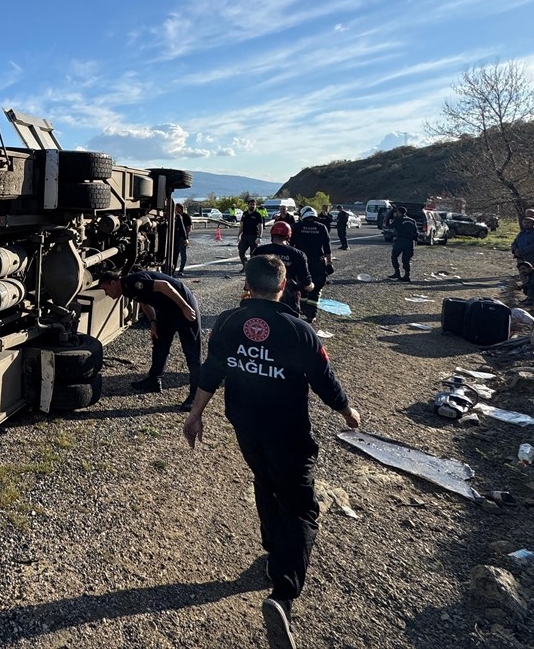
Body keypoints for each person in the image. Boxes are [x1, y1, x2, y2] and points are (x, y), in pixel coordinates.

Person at [183, 255, 360, 649]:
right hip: (288, 432)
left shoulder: (228, 322)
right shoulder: (299, 330)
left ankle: (271, 554)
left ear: (247, 284)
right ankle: (283, 593)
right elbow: (323, 379)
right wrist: (348, 410)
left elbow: (212, 370)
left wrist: (194, 415)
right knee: (301, 507)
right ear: (283, 286)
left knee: (265, 481)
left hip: (246, 426)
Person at [98, 270, 201, 405]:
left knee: (191, 351)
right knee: (159, 342)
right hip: (166, 309)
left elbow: (165, 286)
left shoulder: (133, 282)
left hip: (183, 308)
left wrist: (185, 307)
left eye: (106, 289)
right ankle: (154, 380)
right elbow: (143, 302)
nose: (106, 294)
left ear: (113, 283)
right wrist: (153, 322)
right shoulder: (126, 288)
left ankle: (196, 395)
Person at [253, 221, 313, 317]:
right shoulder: (298, 254)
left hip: (261, 295)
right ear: (288, 235)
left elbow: (252, 273)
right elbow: (306, 281)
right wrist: (310, 286)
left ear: (272, 234)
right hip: (289, 297)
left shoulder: (260, 251)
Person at [290, 207, 332, 324]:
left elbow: (291, 245)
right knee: (316, 287)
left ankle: (302, 308)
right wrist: (329, 263)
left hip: (300, 261)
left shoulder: (297, 227)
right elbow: (327, 247)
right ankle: (311, 314)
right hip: (317, 262)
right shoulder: (321, 227)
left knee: (301, 285)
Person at [388, 207, 418, 282]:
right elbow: (416, 232)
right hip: (410, 242)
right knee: (406, 259)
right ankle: (407, 275)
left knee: (394, 256)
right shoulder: (412, 220)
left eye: (397, 212)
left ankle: (397, 273)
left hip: (400, 241)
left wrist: (393, 218)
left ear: (399, 212)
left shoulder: (399, 219)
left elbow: (390, 226)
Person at [238, 200, 264, 270]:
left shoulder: (257, 215)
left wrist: (259, 237)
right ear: (248, 205)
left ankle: (252, 269)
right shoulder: (244, 214)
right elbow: (242, 225)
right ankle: (245, 266)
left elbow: (260, 226)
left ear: (256, 205)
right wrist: (238, 235)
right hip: (245, 236)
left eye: (254, 204)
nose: (252, 206)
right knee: (241, 251)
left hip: (254, 236)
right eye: (251, 204)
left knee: (253, 254)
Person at [173, 203, 192, 274]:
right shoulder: (175, 216)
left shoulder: (185, 216)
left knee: (183, 253)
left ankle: (181, 269)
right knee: (175, 253)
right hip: (176, 237)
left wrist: (185, 237)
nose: (175, 209)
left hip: (182, 237)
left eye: (176, 208)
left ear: (180, 208)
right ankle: (173, 268)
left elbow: (188, 227)